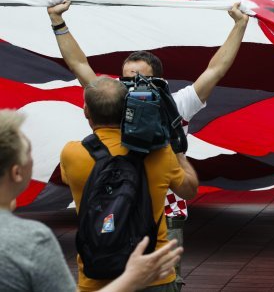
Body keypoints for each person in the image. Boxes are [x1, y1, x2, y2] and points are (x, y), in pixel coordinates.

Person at [47, 0, 249, 288]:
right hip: (114, 209)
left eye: (143, 79)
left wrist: (240, 25)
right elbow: (80, 65)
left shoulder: (175, 104)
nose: (134, 86)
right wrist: (58, 23)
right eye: (127, 80)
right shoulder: (111, 101)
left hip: (168, 214)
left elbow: (216, 69)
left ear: (160, 81)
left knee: (168, 282)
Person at [0, 109, 184, 292]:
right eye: (29, 154)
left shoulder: (72, 152)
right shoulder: (33, 240)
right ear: (17, 172)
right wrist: (131, 278)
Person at [60, 77, 198, 291]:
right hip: (154, 276)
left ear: (86, 111)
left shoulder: (71, 153)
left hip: (97, 278)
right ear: (127, 107)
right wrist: (177, 147)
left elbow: (64, 178)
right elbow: (189, 190)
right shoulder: (160, 153)